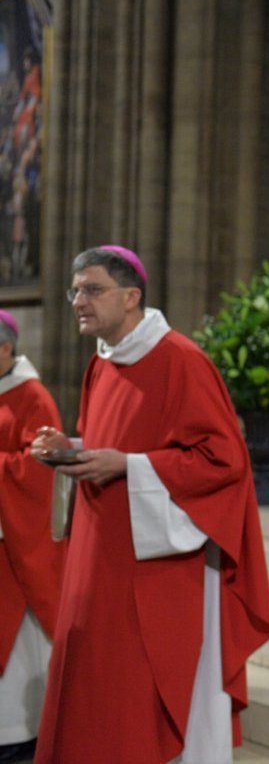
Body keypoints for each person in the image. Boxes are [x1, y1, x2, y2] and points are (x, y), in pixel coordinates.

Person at [30, 246, 269, 763]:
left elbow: (223, 462)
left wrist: (129, 466)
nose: (78, 300)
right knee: (99, 686)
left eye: (92, 289)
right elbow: (111, 442)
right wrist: (70, 449)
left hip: (158, 568)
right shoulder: (103, 362)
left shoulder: (180, 359)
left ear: (132, 296)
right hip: (100, 553)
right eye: (75, 290)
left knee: (141, 691)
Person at [0, 310, 64, 762]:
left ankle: (17, 736)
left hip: (14, 550)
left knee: (17, 655)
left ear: (6, 349)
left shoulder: (34, 397)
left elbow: (37, 471)